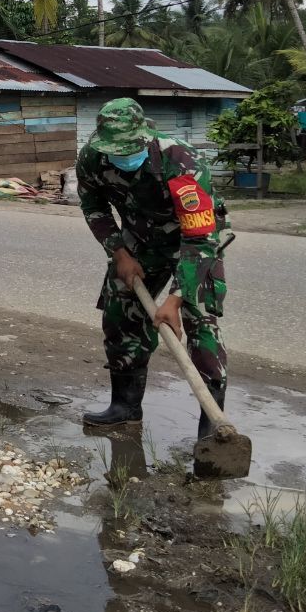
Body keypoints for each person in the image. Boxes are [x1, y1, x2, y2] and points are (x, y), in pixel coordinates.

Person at [76, 97, 232, 440]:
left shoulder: (181, 161)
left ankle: (213, 427)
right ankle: (125, 408)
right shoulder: (91, 158)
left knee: (200, 320)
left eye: (129, 148)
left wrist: (175, 299)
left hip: (191, 243)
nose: (122, 154)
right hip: (138, 239)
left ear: (144, 137)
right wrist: (118, 252)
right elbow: (93, 206)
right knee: (120, 314)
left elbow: (201, 238)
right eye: (114, 149)